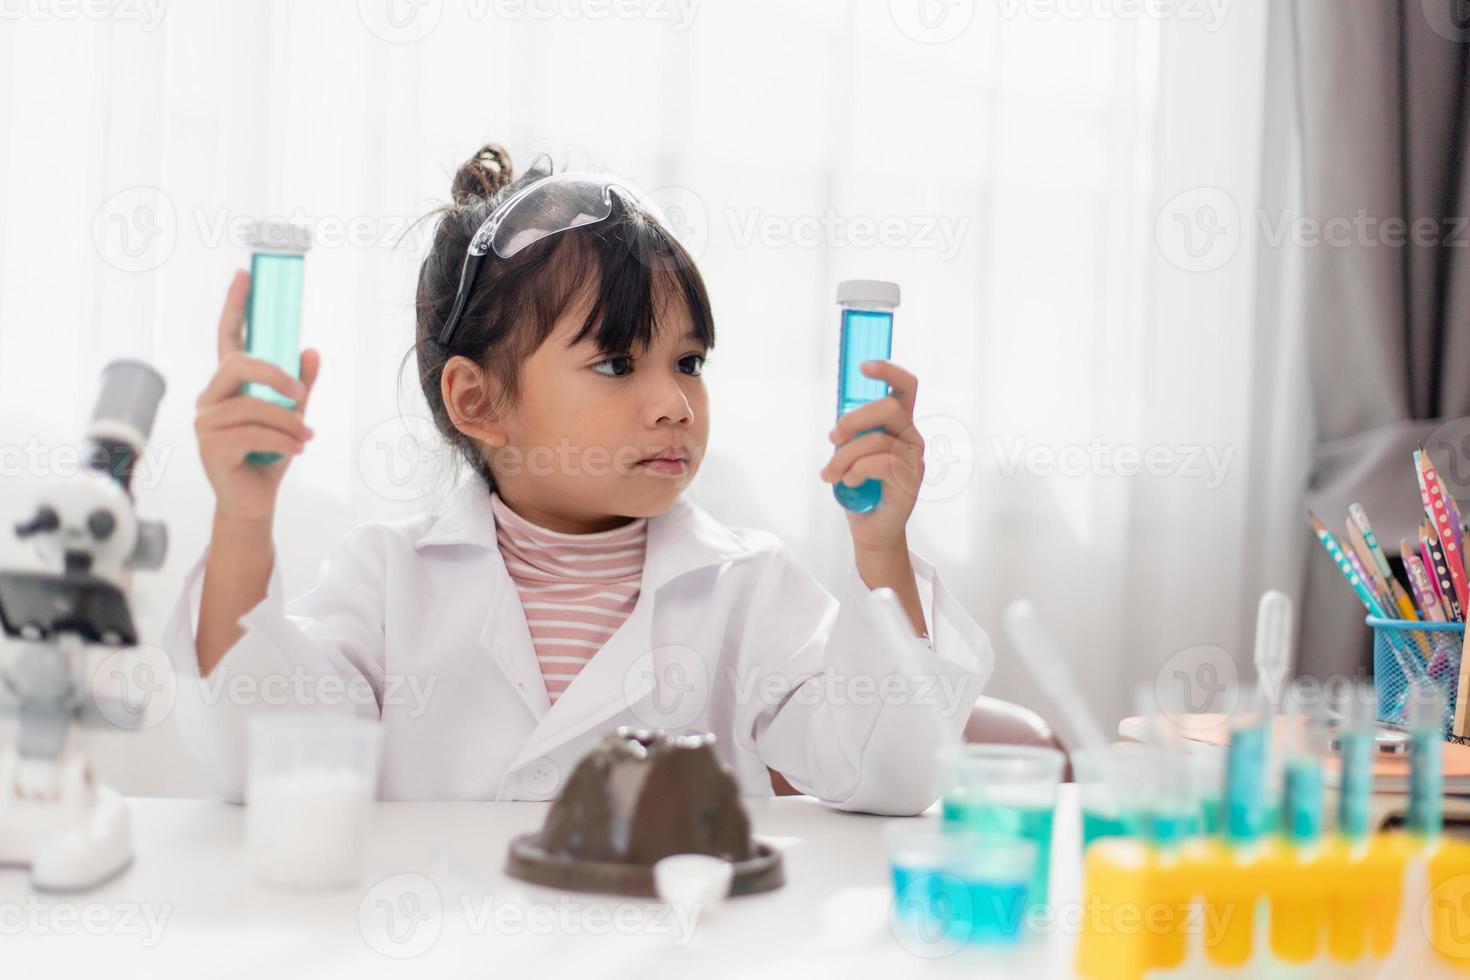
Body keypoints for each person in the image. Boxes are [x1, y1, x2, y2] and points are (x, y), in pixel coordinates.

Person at [161, 144, 993, 814]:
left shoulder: (746, 586)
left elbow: (888, 777)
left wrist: (882, 550)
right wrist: (242, 518)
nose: (674, 404)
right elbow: (257, 764)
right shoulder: (387, 581)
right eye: (617, 362)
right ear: (478, 400)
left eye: (689, 362)